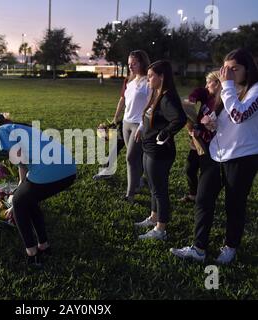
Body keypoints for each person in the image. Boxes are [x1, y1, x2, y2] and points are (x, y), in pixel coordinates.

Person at [171, 48, 258, 264]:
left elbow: (239, 115)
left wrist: (226, 85)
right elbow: (224, 119)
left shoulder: (254, 90)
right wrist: (211, 123)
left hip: (242, 157)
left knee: (234, 204)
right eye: (225, 68)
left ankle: (230, 246)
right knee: (202, 200)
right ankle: (199, 248)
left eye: (234, 69)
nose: (228, 73)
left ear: (248, 70)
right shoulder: (226, 90)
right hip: (215, 154)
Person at [0, 113, 77, 266]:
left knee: (20, 204)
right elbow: (22, 165)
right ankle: (44, 246)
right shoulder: (18, 128)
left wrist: (16, 201)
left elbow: (15, 156)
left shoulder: (0, 131)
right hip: (69, 170)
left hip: (50, 169)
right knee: (27, 199)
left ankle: (32, 254)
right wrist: (20, 190)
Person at [134, 60, 187, 240]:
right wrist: (143, 130)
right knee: (153, 187)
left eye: (151, 76)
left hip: (160, 153)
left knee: (160, 190)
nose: (148, 79)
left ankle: (160, 229)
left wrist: (164, 134)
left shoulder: (167, 98)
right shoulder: (158, 94)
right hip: (149, 149)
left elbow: (179, 119)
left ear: (161, 77)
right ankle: (153, 217)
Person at [94, 50, 150, 202]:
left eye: (134, 63)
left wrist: (142, 126)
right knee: (134, 157)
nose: (131, 66)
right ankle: (138, 182)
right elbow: (123, 101)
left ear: (142, 63)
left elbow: (151, 107)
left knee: (131, 157)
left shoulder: (148, 82)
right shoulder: (129, 82)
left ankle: (130, 194)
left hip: (138, 125)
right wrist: (115, 119)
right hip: (125, 123)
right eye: (129, 64)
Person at [179, 71, 221, 203]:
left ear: (218, 83)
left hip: (210, 143)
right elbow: (199, 92)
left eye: (209, 82)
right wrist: (191, 99)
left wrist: (202, 132)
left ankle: (204, 197)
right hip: (197, 139)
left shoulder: (222, 102)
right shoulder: (208, 96)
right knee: (190, 168)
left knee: (205, 172)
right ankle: (193, 194)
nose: (207, 85)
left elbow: (218, 127)